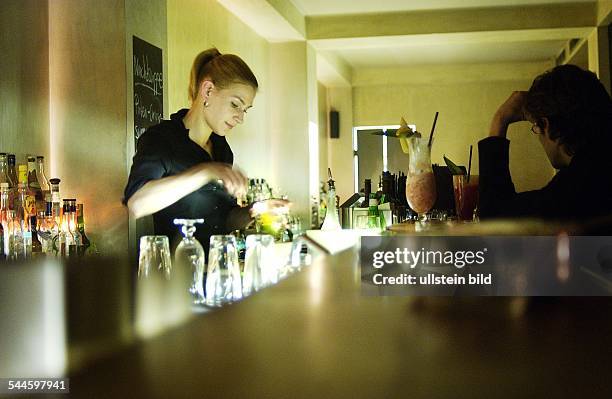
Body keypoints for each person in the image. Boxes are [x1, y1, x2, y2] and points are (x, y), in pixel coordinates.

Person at [123, 48, 284, 254]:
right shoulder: (162, 139)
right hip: (176, 275)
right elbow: (137, 203)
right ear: (207, 90)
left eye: (245, 110)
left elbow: (225, 219)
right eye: (235, 104)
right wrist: (206, 171)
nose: (240, 117)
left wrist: (255, 211)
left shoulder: (222, 149)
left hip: (217, 269)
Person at [478, 64, 612, 221]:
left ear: (545, 124)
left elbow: (496, 218)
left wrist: (500, 120)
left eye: (535, 127)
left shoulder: (580, 184)